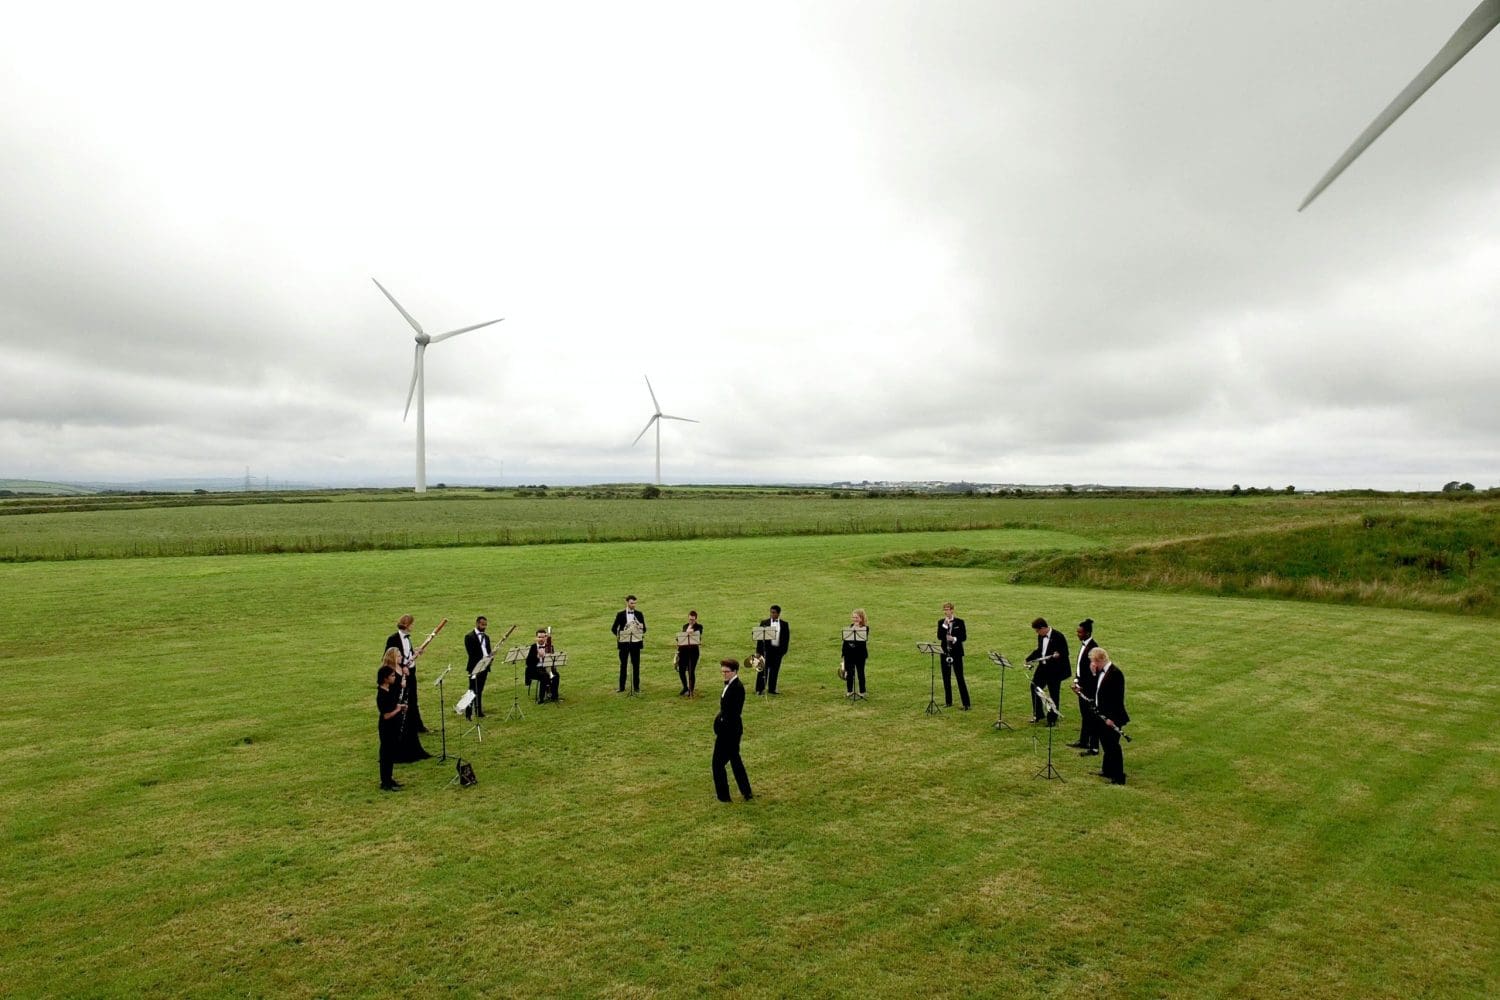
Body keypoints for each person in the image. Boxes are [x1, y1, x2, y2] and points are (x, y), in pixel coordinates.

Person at [712, 659, 753, 802]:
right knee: (735, 761)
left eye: (726, 672)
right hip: (731, 730)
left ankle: (724, 796)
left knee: (717, 764)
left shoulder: (737, 687)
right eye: (722, 671)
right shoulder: (731, 685)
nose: (724, 674)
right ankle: (746, 791)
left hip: (729, 732)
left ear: (734, 672)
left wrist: (721, 723)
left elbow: (732, 713)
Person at [1089, 647, 1130, 785]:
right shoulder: (1101, 672)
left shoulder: (1115, 674)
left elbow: (1117, 699)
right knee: (1106, 744)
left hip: (1113, 717)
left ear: (1099, 660)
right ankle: (1107, 770)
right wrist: (1093, 674)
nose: (1092, 664)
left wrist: (1112, 718)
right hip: (1103, 715)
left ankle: (1119, 776)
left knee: (1113, 746)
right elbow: (1098, 691)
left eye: (1092, 662)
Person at [383, 647, 431, 762]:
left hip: (405, 700)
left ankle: (413, 750)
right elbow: (389, 688)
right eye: (399, 656)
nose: (401, 658)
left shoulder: (401, 667)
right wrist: (401, 684)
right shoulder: (388, 670)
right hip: (396, 702)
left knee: (410, 726)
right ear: (392, 658)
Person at [385, 614, 427, 733]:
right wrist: (402, 667)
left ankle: (418, 726)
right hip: (400, 674)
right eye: (412, 624)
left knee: (413, 699)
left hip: (411, 672)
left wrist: (417, 652)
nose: (413, 626)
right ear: (407, 625)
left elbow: (407, 654)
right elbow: (388, 657)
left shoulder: (407, 638)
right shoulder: (393, 638)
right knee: (401, 700)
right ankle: (400, 727)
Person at [1024, 617, 1070, 726]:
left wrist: (1058, 655)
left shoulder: (1058, 636)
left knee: (1054, 693)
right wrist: (1028, 659)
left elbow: (1065, 653)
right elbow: (1040, 650)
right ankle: (1038, 714)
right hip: (1043, 668)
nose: (1037, 633)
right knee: (1034, 687)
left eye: (1037, 630)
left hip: (1055, 670)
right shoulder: (1041, 636)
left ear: (1043, 628)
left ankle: (1052, 719)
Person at [1068, 618, 1100, 754]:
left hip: (1089, 688)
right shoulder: (1084, 645)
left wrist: (1082, 686)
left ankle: (1093, 745)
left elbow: (1093, 673)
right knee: (1085, 715)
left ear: (1087, 633)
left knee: (1091, 716)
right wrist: (1076, 680)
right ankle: (1083, 740)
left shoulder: (1093, 648)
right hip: (1081, 685)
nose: (1077, 634)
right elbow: (1080, 668)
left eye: (1080, 632)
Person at [376, 663, 405, 791]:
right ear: (385, 678)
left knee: (390, 754)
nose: (394, 677)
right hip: (386, 728)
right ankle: (385, 782)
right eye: (392, 676)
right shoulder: (381, 695)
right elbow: (386, 715)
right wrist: (398, 709)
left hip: (393, 727)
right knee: (386, 755)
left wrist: (401, 707)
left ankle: (389, 778)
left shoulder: (390, 690)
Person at [937, 602, 970, 709]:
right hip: (945, 652)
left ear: (952, 610)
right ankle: (948, 701)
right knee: (946, 678)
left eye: (948, 609)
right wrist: (945, 625)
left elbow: (963, 637)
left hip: (956, 653)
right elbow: (939, 636)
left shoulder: (960, 622)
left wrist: (954, 639)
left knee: (959, 677)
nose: (946, 611)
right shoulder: (941, 622)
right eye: (944, 609)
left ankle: (966, 704)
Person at [611, 595, 646, 693]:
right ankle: (621, 687)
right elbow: (613, 628)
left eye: (635, 603)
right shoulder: (620, 614)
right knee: (623, 665)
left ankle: (636, 687)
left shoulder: (639, 614)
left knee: (636, 666)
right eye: (631, 603)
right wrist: (619, 637)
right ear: (627, 603)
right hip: (624, 644)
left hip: (636, 644)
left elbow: (645, 629)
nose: (633, 605)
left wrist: (640, 627)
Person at [754, 605, 791, 695]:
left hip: (777, 652)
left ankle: (772, 689)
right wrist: (758, 652)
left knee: (775, 671)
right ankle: (760, 689)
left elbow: (786, 639)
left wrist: (783, 651)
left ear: (778, 613)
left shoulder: (784, 624)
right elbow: (759, 639)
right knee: (763, 670)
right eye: (771, 612)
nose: (772, 614)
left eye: (774, 613)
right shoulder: (764, 622)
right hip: (766, 651)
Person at [463, 615, 493, 721]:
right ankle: (468, 712)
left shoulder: (486, 637)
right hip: (474, 667)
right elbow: (471, 653)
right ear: (477, 623)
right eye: (482, 624)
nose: (484, 626)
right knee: (472, 690)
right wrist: (482, 659)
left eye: (485, 625)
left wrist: (490, 657)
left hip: (485, 666)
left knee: (480, 690)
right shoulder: (469, 637)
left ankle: (479, 711)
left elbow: (488, 650)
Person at [841, 609, 869, 699]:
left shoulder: (865, 628)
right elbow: (846, 642)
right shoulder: (850, 628)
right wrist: (843, 654)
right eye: (853, 617)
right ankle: (849, 691)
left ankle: (862, 691)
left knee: (861, 673)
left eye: (856, 617)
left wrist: (857, 628)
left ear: (861, 618)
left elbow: (862, 641)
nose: (855, 619)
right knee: (850, 673)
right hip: (850, 655)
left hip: (860, 655)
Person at [526, 629, 559, 703]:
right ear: (536, 638)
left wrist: (549, 656)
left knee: (556, 675)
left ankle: (554, 696)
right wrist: (537, 657)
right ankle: (541, 698)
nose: (541, 639)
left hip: (547, 667)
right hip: (535, 669)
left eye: (543, 637)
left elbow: (553, 660)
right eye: (539, 637)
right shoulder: (533, 647)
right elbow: (528, 663)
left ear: (545, 637)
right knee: (544, 676)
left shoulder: (549, 646)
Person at [677, 611, 703, 696]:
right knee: (681, 670)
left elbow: (698, 633)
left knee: (691, 671)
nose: (691, 621)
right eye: (690, 619)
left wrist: (690, 630)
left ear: (696, 619)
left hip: (693, 653)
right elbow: (681, 638)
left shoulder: (699, 626)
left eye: (692, 620)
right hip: (683, 652)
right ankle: (685, 687)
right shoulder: (685, 626)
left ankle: (691, 690)